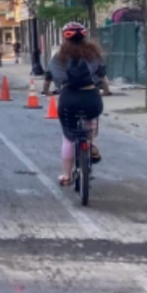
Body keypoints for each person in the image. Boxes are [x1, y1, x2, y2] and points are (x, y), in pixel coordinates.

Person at [42, 22, 106, 185]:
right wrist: (106, 90)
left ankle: (67, 176)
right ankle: (90, 144)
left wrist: (46, 91)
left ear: (65, 37)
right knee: (91, 124)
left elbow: (49, 76)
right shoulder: (93, 54)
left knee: (69, 138)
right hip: (91, 96)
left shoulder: (59, 56)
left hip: (69, 98)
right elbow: (101, 75)